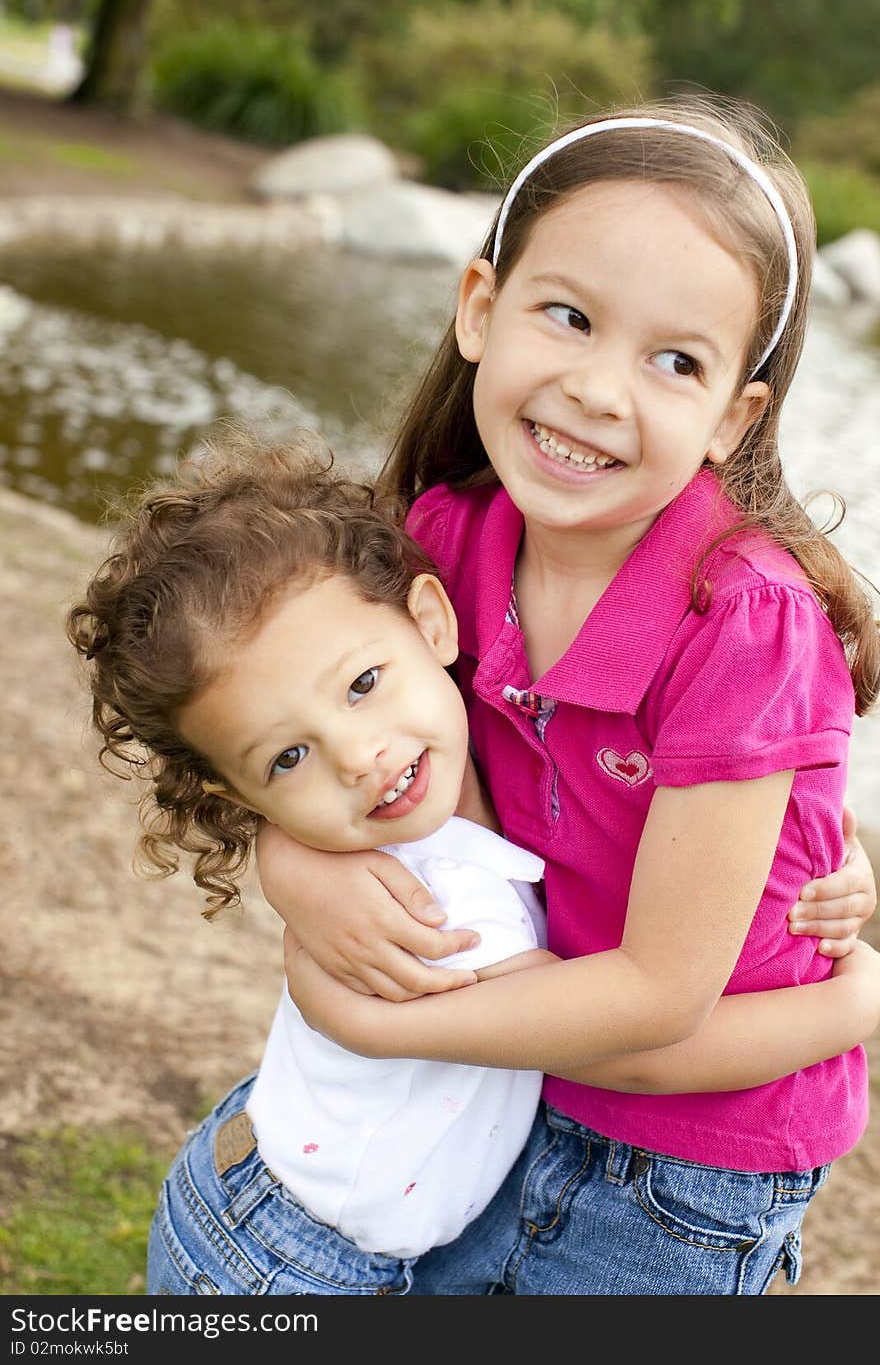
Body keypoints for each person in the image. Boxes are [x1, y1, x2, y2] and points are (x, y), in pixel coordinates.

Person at [258, 95, 880, 1295]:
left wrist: (382, 1021)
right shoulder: (443, 536)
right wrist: (300, 865)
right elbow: (295, 729)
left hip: (689, 1160)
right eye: (568, 315)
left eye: (674, 360)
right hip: (503, 1074)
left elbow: (658, 1007)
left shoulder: (740, 621)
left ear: (730, 417)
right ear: (479, 308)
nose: (600, 389)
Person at [67, 436, 877, 1298]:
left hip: (269, 1212)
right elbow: (631, 1036)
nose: (359, 757)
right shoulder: (437, 915)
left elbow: (642, 788)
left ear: (431, 622)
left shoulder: (458, 792)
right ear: (242, 792)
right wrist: (857, 1000)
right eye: (290, 757)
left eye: (362, 685)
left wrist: (819, 851)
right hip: (286, 1265)